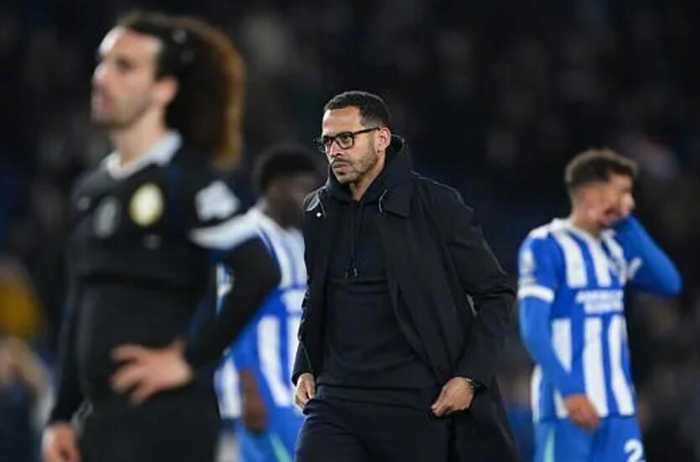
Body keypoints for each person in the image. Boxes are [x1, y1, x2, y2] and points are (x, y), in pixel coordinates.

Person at [41, 11, 279, 462]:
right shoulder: (92, 188)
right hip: (99, 427)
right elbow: (81, 303)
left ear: (164, 89)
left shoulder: (187, 179)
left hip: (167, 425)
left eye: (124, 66)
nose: (102, 78)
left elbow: (259, 270)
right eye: (102, 62)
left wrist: (189, 359)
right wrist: (60, 415)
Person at [292, 90, 518, 462]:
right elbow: (318, 295)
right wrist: (305, 365)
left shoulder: (436, 205)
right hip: (336, 400)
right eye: (327, 142)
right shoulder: (318, 211)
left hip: (416, 401)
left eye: (346, 139)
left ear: (381, 138)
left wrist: (470, 377)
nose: (334, 151)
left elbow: (496, 293)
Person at [517, 149, 682, 462]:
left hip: (618, 409)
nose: (629, 202)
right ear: (590, 193)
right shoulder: (545, 244)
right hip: (566, 409)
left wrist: (628, 224)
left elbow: (670, 283)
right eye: (621, 192)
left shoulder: (615, 247)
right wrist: (570, 390)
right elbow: (533, 328)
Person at [215, 145, 322, 462]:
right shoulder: (245, 238)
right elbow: (228, 319)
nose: (309, 198)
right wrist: (248, 390)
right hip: (264, 391)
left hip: (299, 392)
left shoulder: (298, 240)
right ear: (276, 188)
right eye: (302, 188)